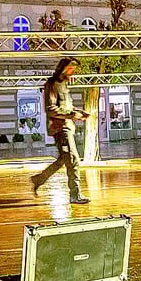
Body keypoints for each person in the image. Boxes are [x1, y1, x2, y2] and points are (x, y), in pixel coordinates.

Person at [30, 57, 90, 204]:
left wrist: (79, 112)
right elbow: (51, 109)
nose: (72, 72)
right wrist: (71, 114)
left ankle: (39, 179)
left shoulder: (64, 85)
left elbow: (66, 107)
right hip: (60, 129)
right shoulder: (51, 85)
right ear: (62, 69)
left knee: (64, 159)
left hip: (67, 127)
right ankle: (75, 194)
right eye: (70, 69)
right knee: (73, 160)